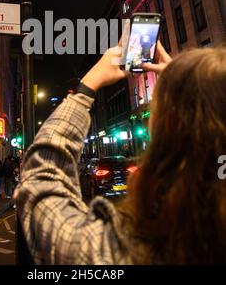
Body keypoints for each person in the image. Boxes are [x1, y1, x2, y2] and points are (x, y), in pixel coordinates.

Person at [14, 39, 226, 265]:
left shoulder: (116, 254)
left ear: (168, 130)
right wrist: (185, 90)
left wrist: (87, 86)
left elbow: (41, 182)